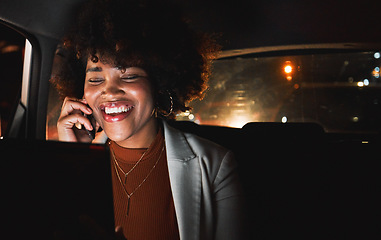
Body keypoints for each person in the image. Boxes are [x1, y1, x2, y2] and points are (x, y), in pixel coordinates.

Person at [52, 0, 246, 239]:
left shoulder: (216, 165)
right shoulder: (67, 164)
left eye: (130, 75)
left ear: (159, 85)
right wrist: (73, 157)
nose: (110, 91)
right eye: (95, 79)